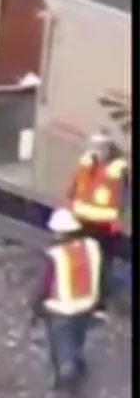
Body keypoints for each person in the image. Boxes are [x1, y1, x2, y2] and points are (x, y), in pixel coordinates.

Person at [31, 208, 104, 398]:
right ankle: (78, 365)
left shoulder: (55, 255)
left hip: (61, 310)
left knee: (62, 347)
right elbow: (101, 276)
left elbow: (44, 284)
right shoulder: (92, 246)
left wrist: (35, 305)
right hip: (87, 305)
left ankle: (68, 384)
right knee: (77, 339)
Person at [67, 131, 131, 306]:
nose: (96, 150)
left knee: (103, 263)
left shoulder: (118, 169)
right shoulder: (86, 161)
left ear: (108, 147)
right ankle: (84, 294)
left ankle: (99, 300)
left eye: (100, 146)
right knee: (84, 260)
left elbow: (123, 197)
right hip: (82, 221)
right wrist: (69, 207)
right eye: (93, 145)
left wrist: (118, 221)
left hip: (104, 226)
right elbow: (75, 187)